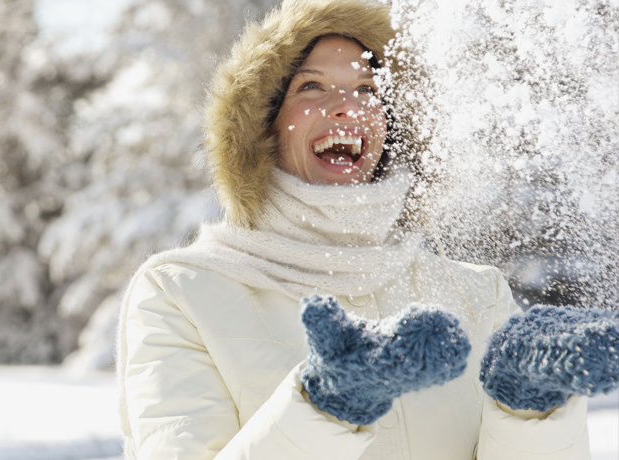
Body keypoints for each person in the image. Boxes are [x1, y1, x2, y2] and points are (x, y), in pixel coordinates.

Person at [116, 0, 612, 458]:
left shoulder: (476, 293)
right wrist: (324, 405)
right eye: (311, 87)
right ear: (261, 123)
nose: (347, 108)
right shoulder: (183, 293)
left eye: (367, 90)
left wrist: (531, 409)